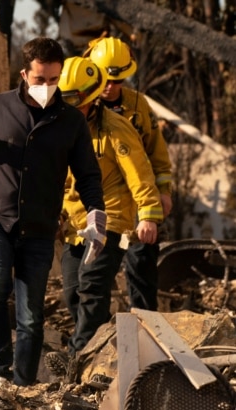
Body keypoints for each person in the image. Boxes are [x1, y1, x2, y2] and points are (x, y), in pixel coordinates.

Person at [0, 37, 106, 387]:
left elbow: (87, 173)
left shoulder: (70, 121)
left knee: (30, 315)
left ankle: (22, 384)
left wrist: (97, 213)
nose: (47, 87)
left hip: (39, 226)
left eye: (54, 80)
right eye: (40, 80)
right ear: (24, 73)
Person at [44, 56, 164, 379]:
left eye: (74, 102)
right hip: (75, 226)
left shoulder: (116, 128)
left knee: (92, 287)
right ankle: (103, 348)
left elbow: (140, 173)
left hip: (110, 222)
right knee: (73, 292)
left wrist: (148, 214)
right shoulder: (57, 129)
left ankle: (76, 362)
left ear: (90, 99)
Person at [87, 36, 173, 311]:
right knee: (90, 277)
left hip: (138, 202)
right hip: (99, 202)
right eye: (105, 80)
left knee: (142, 268)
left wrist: (163, 193)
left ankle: (147, 332)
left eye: (119, 81)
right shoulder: (80, 106)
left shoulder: (138, 105)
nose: (111, 88)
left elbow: (156, 154)